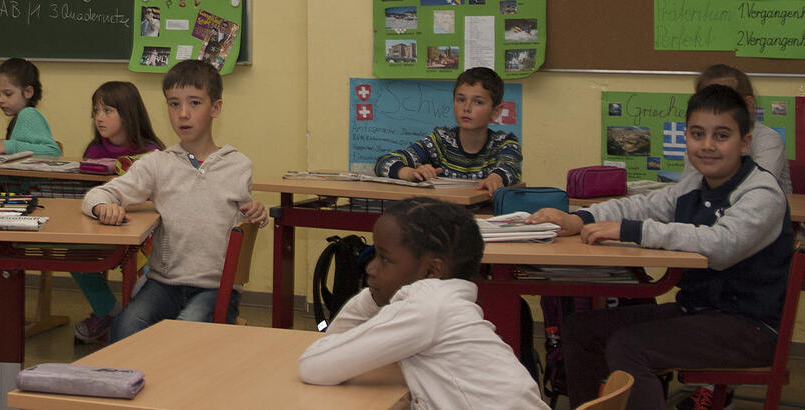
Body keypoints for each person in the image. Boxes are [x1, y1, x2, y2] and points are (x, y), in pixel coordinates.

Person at [527, 85, 793, 410]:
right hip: (697, 311)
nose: (707, 146)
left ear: (746, 142)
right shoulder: (694, 185)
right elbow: (644, 206)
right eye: (697, 134)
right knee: (582, 330)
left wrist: (633, 232)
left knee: (629, 346)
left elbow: (721, 246)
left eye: (721, 136)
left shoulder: (762, 193)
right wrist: (579, 219)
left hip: (750, 328)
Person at [299, 197, 548, 409]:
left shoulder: (427, 305)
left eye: (385, 259)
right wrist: (372, 299)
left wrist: (368, 303)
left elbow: (315, 365)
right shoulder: (444, 303)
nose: (370, 268)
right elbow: (332, 343)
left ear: (431, 272)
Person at [82, 60, 268, 343]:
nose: (183, 114)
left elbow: (244, 218)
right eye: (173, 104)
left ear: (215, 108)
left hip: (215, 288)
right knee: (122, 332)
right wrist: (102, 206)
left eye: (194, 103)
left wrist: (257, 213)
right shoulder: (157, 163)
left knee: (181, 337)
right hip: (163, 284)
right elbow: (98, 194)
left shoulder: (238, 165)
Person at [72, 81, 166, 342]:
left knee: (148, 270)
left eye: (108, 111)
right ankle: (108, 314)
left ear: (128, 113)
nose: (99, 118)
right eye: (96, 111)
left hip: (145, 235)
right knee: (76, 256)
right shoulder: (94, 152)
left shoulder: (151, 154)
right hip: (105, 227)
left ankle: (134, 321)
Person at [374, 67, 522, 198]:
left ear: (496, 111)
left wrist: (496, 177)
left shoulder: (504, 143)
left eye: (478, 102)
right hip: (443, 218)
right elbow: (384, 162)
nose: (467, 108)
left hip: (484, 219)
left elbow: (509, 166)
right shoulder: (441, 140)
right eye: (460, 99)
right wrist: (409, 173)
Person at [684, 63, 791, 193]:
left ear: (748, 104)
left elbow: (756, 188)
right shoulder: (700, 142)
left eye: (725, 101)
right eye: (706, 100)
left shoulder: (768, 139)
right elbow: (690, 186)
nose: (708, 145)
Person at [0, 58, 61, 156]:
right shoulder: (18, 118)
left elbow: (54, 152)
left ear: (28, 92)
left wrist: (10, 146)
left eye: (8, 94)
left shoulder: (28, 114)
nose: (0, 100)